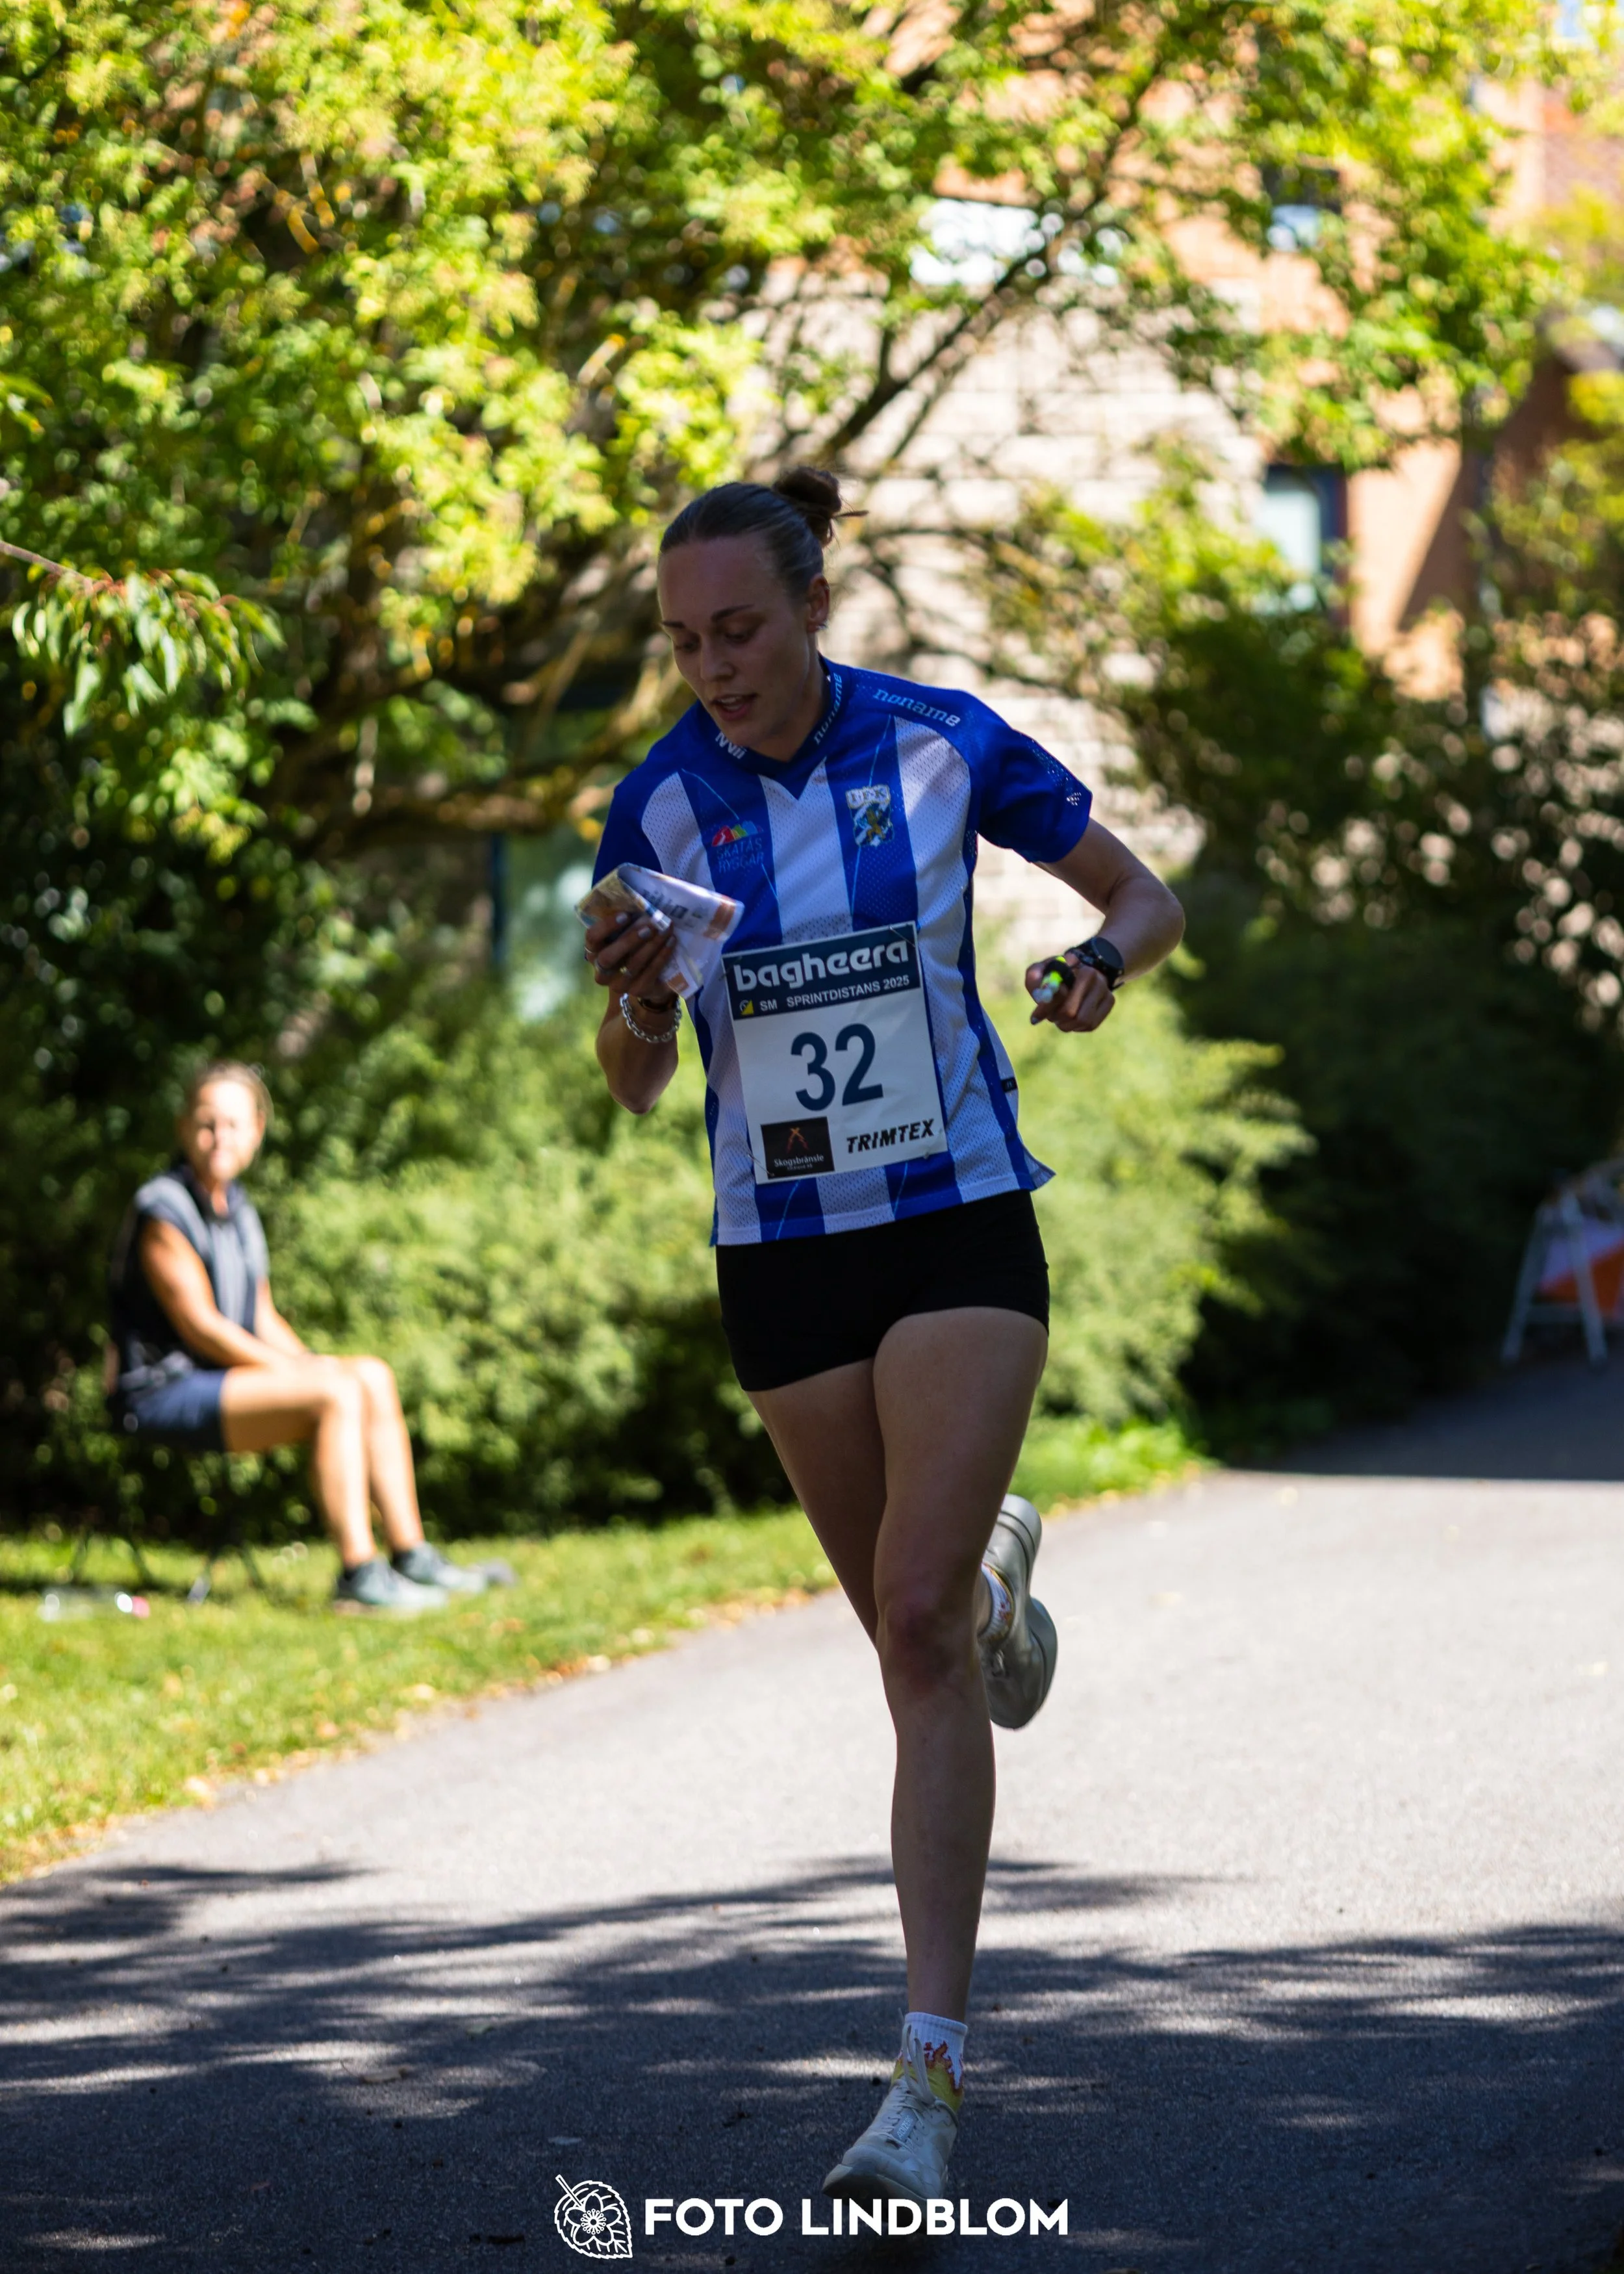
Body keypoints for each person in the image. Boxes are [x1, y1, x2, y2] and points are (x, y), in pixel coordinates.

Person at [582, 468, 1186, 2206]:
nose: (714, 665)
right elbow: (631, 1082)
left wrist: (1096, 965)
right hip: (780, 1263)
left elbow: (1144, 896)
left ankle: (921, 2083)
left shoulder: (937, 741)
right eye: (685, 639)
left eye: (741, 628)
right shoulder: (658, 804)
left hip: (954, 1224)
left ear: (812, 602)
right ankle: (990, 1562)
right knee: (909, 1636)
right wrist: (633, 993)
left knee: (910, 1622)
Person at [107, 1061, 493, 1612]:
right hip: (159, 1391)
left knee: (369, 1377)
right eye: (207, 1123)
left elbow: (259, 1315)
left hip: (221, 1381)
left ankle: (411, 1555)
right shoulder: (162, 1209)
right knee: (332, 1391)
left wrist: (315, 1364)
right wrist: (308, 1378)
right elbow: (204, 1327)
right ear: (184, 1126)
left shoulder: (237, 1208)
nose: (221, 1138)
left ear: (258, 1130)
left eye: (235, 1125)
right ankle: (358, 1575)